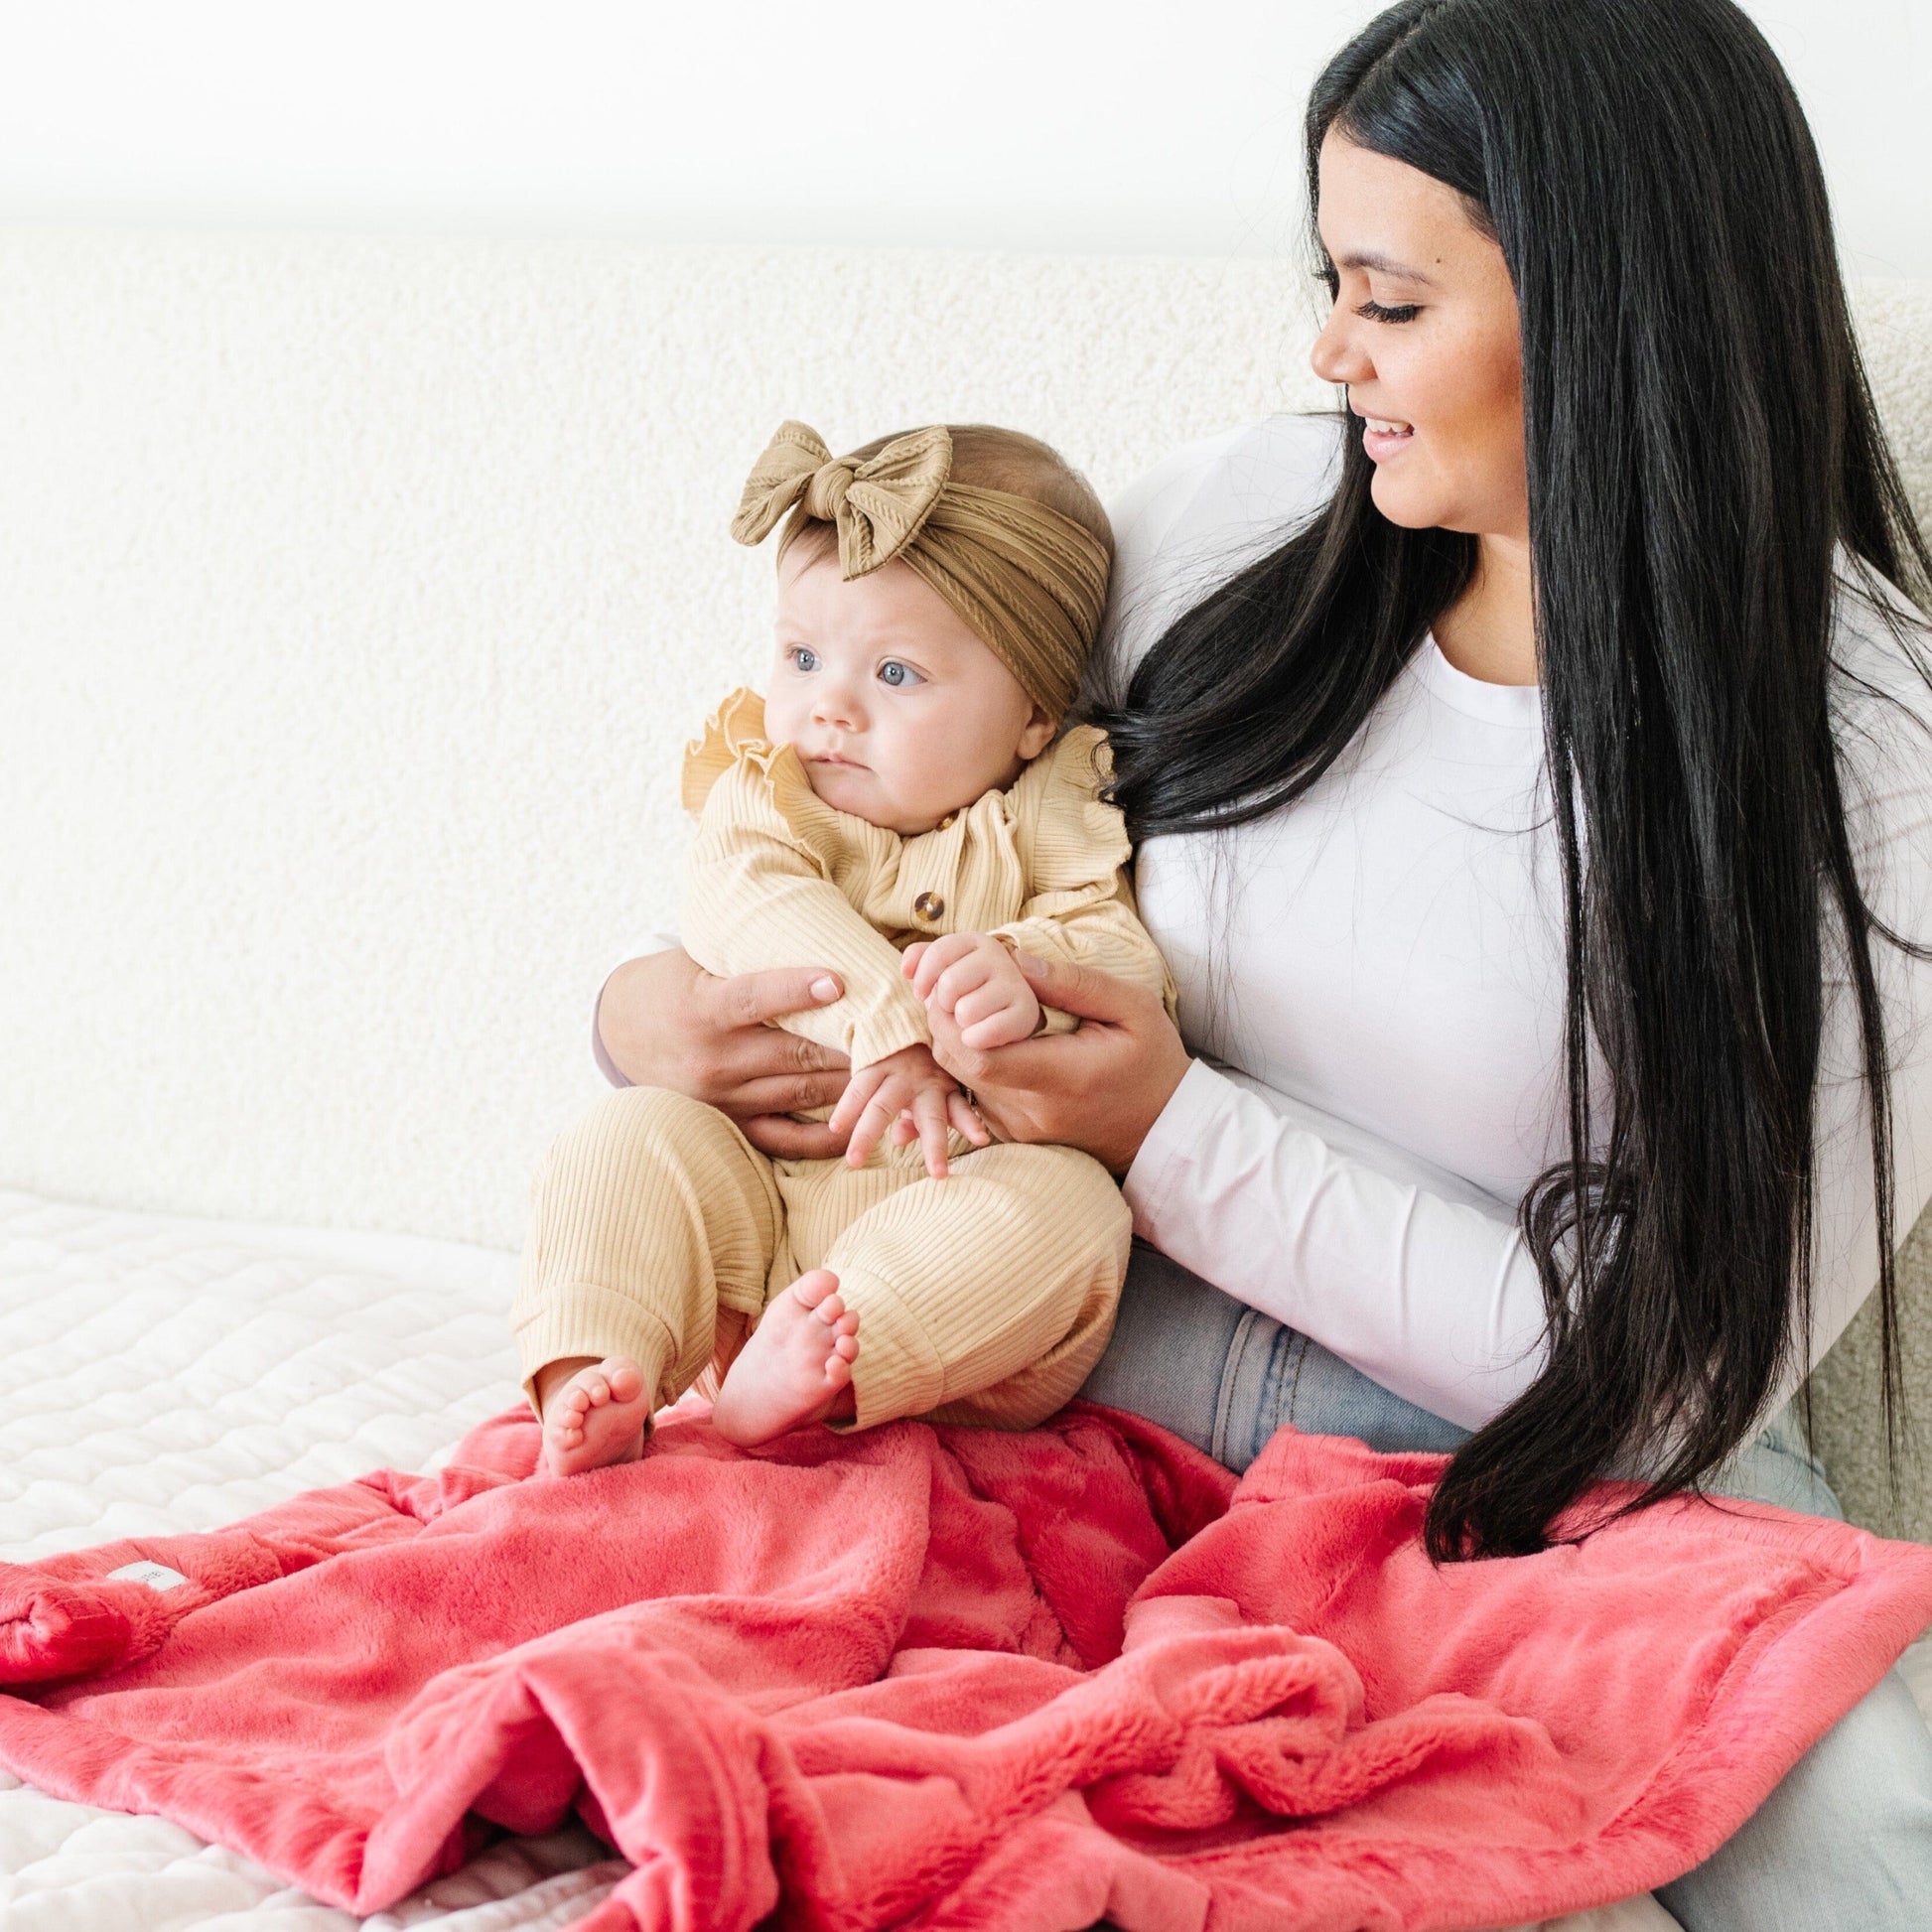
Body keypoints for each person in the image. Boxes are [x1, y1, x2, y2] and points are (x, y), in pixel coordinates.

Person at [591, 3, 1932, 1924]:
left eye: (1386, 300)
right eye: (1331, 284)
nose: (1328, 354)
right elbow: (853, 797)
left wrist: (1170, 1126)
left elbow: (1669, 1382)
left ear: (1607, 306)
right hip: (1073, 1358)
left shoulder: (1867, 749)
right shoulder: (1230, 530)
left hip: (1552, 1462)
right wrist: (641, 1008)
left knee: (1840, 1818)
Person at [518, 420, 1172, 1472]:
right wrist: (892, 1023)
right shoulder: (767, 793)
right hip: (757, 1195)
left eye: (898, 674)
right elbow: (748, 897)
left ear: (1033, 715)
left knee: (1075, 1211)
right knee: (626, 1135)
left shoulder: (1058, 808)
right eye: (803, 656)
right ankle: (595, 1372)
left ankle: (825, 1364)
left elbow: (1119, 952)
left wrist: (1020, 979)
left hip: (948, 1215)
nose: (828, 705)